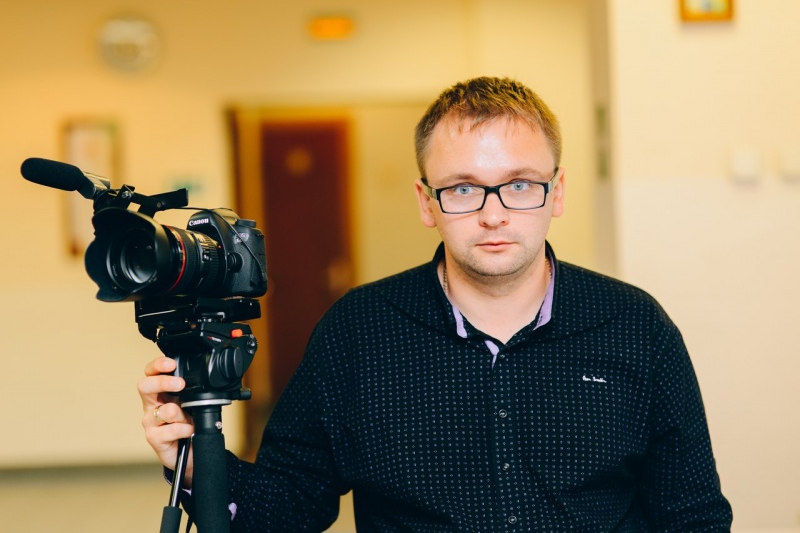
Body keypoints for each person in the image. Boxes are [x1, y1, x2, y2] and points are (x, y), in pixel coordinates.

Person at [139, 76, 733, 531]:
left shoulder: (636, 326)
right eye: (464, 188)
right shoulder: (358, 331)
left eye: (520, 184)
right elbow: (290, 505)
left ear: (556, 193)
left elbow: (694, 515)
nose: (494, 213)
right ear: (427, 202)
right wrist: (194, 461)